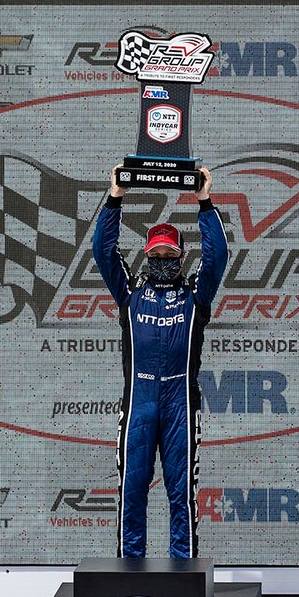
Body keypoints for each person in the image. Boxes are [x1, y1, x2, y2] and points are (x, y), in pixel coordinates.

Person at [92, 167, 228, 558]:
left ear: (181, 256)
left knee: (181, 494)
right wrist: (115, 196)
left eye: (170, 254)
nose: (163, 259)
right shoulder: (130, 291)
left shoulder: (195, 294)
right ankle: (129, 573)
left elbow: (217, 254)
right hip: (138, 405)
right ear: (146, 256)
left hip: (180, 405)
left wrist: (205, 201)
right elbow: (103, 250)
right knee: (132, 492)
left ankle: (183, 575)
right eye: (156, 254)